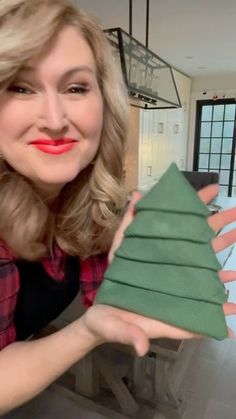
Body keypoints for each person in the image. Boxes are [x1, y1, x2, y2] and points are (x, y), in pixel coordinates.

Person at [0, 0, 236, 414]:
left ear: (104, 104)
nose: (54, 119)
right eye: (21, 86)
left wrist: (114, 304)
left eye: (76, 87)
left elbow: (101, 303)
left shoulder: (86, 203)